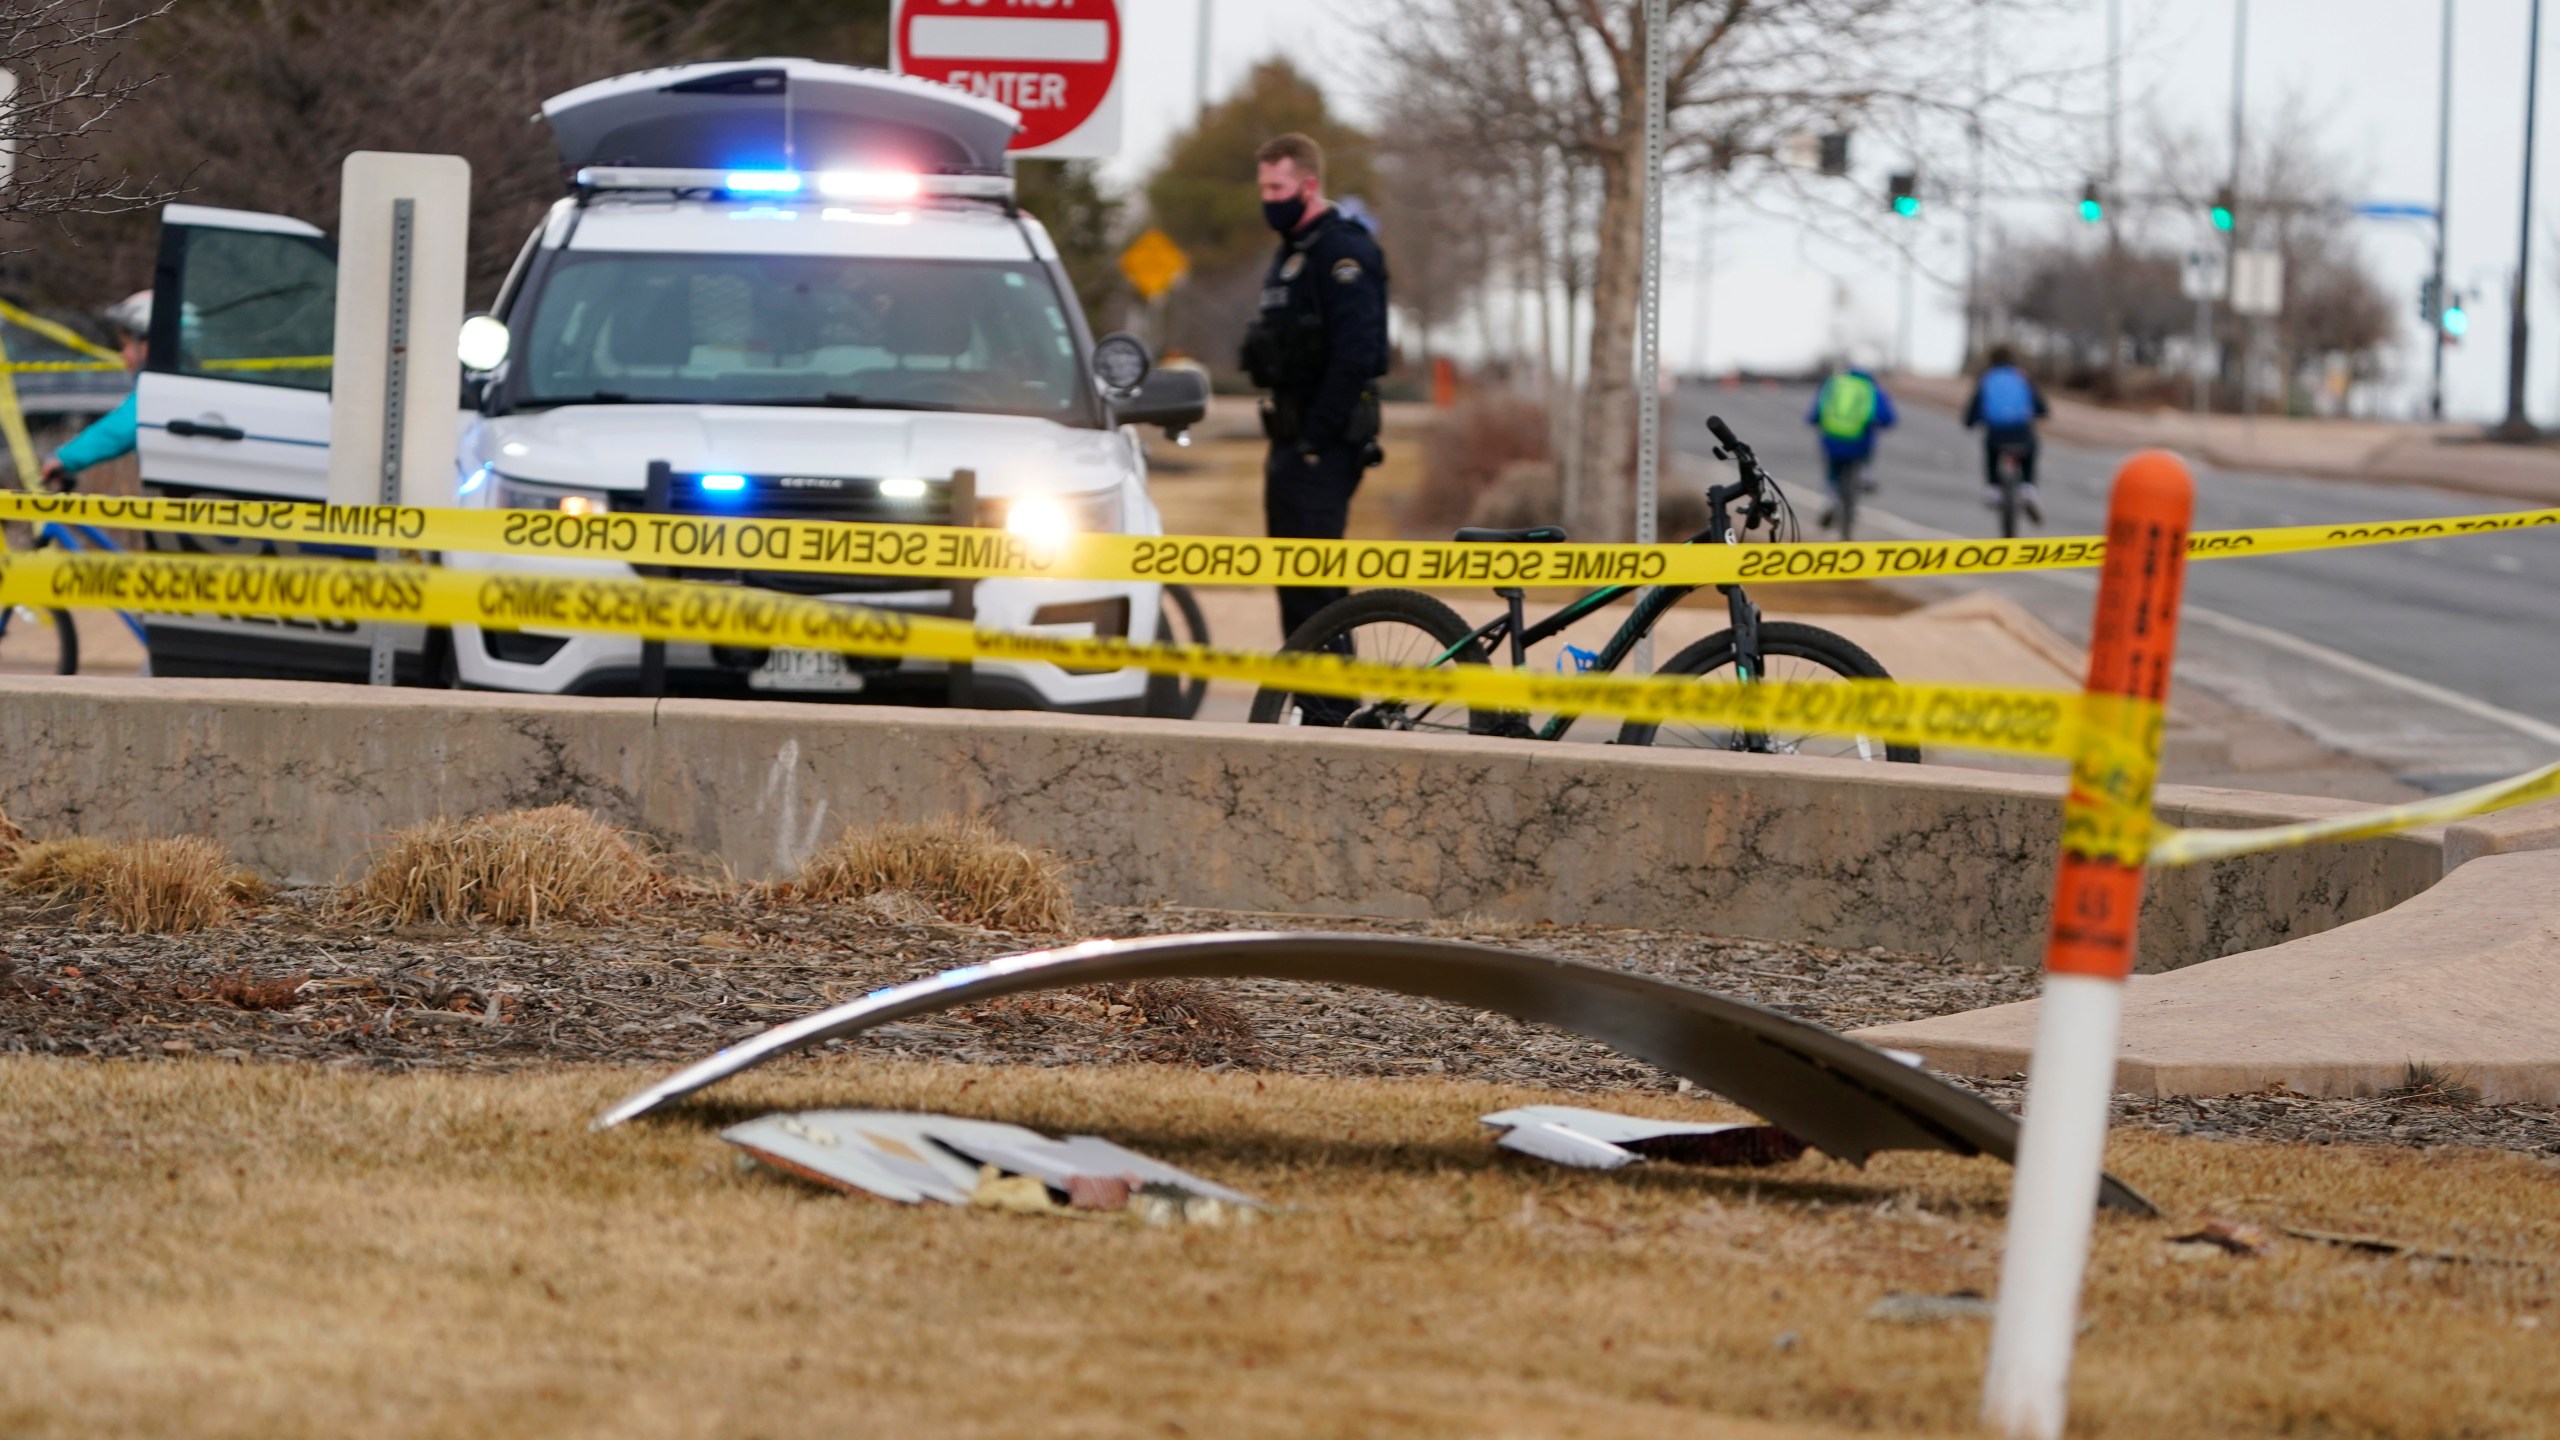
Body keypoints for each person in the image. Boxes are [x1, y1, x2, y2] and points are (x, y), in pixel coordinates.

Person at [1239, 132, 1389, 647]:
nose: (1269, 199)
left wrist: (1313, 443)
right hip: (1290, 438)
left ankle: (1332, 715)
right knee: (1296, 588)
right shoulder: (1293, 253)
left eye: (1278, 187)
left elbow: (1357, 355)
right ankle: (1310, 704)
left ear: (1309, 184)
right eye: (1264, 188)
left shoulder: (1341, 251)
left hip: (1322, 447)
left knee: (1317, 588)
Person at [39, 290, 152, 492]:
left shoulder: (161, 393)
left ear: (150, 344)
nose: (122, 355)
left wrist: (64, 460)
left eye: (126, 345)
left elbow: (121, 428)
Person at [1962, 344, 2049, 523]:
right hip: (2021, 431)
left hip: (1996, 434)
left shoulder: (1987, 378)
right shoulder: (2021, 376)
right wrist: (2039, 413)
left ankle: (1993, 488)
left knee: (1990, 449)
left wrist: (1970, 421)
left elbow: (1974, 407)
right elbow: (2040, 406)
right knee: (2031, 448)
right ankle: (2028, 487)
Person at [1803, 362, 1897, 528]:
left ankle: (1830, 501)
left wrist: (1815, 421)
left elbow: (1815, 413)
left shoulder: (1833, 384)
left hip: (1832, 441)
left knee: (1832, 473)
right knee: (1868, 444)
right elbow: (1887, 418)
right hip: (1859, 444)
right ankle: (1866, 475)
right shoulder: (1870, 388)